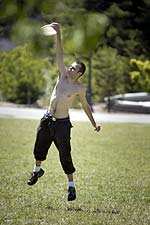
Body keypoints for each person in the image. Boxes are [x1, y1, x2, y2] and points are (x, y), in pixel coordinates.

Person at [27, 22, 101, 201]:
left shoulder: (79, 88)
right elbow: (59, 53)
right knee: (39, 150)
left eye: (74, 68)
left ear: (80, 73)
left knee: (65, 156)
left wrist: (94, 123)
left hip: (62, 125)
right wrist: (58, 33)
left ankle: (71, 187)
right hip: (47, 120)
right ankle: (37, 171)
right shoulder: (62, 75)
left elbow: (85, 106)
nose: (70, 68)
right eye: (70, 66)